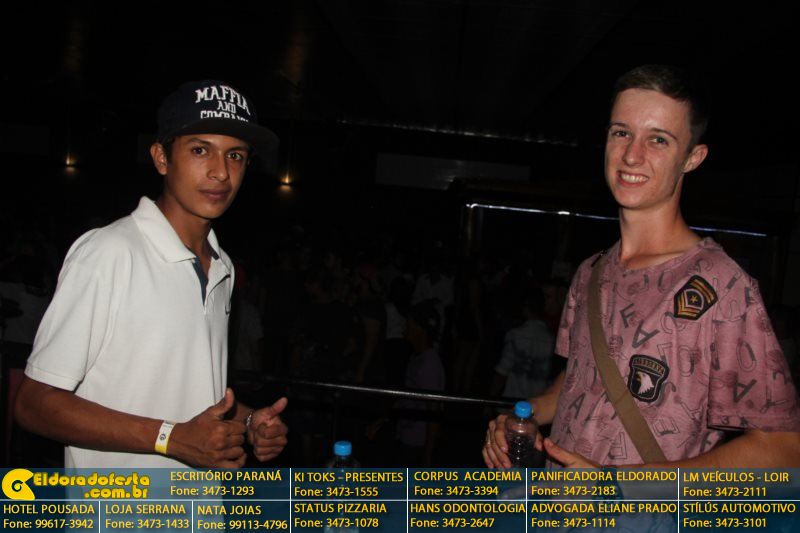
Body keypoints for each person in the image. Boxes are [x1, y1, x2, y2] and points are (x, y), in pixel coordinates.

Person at [483, 64, 800, 469]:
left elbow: (783, 448)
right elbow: (583, 378)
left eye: (658, 140)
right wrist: (523, 415)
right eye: (621, 133)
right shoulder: (591, 272)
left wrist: (625, 486)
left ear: (692, 158)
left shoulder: (722, 285)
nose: (632, 155)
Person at [14, 80, 288, 469]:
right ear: (161, 158)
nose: (221, 173)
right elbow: (33, 404)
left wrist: (246, 420)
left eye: (235, 156)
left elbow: (189, 391)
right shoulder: (110, 253)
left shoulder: (222, 267)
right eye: (200, 150)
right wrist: (169, 439)